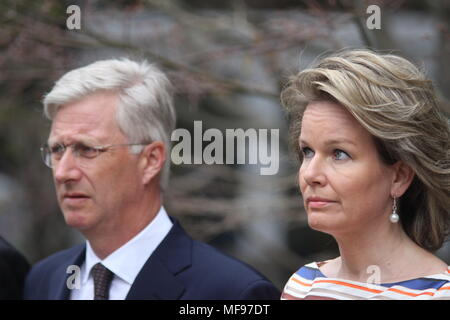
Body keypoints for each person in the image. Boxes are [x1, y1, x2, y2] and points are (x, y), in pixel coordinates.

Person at [24, 58, 280, 300]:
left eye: (88, 149)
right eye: (57, 150)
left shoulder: (232, 292)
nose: (63, 172)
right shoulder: (43, 280)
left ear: (151, 160)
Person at [280, 49, 450, 300]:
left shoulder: (437, 295)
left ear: (399, 177)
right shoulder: (304, 284)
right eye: (307, 151)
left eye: (339, 154)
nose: (311, 174)